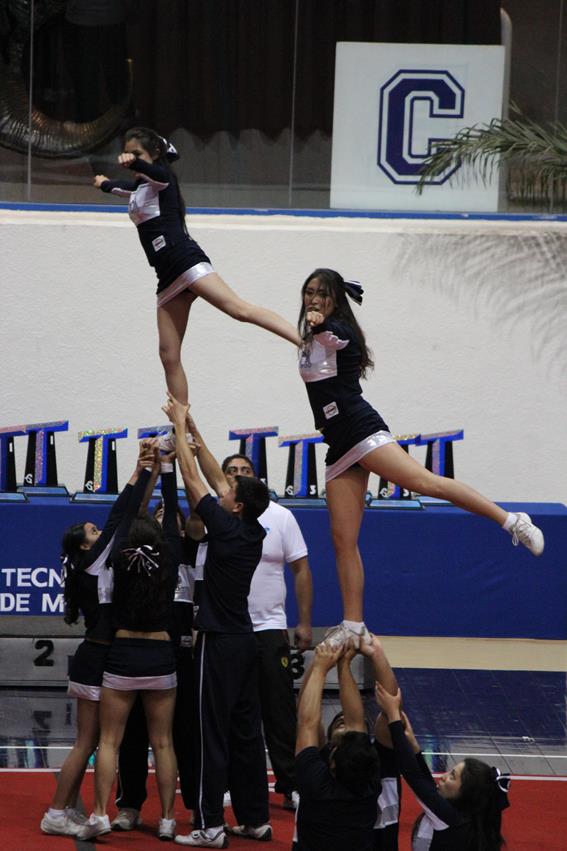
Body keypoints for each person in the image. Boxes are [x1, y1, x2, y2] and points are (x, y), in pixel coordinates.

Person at [297, 268, 545, 648]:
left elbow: (335, 334)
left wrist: (319, 325)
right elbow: (274, 322)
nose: (313, 298)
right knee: (342, 539)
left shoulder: (337, 333)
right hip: (338, 446)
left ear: (335, 300)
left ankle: (512, 521)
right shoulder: (308, 340)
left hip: (362, 432)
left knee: (424, 483)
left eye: (322, 293)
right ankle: (353, 623)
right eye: (309, 292)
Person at [93, 127, 301, 404]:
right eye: (128, 153)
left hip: (185, 261)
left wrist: (135, 162)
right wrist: (104, 182)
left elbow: (154, 173)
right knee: (168, 355)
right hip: (166, 276)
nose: (131, 159)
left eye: (138, 153)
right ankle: (183, 426)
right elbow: (120, 188)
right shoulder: (141, 188)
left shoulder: (162, 179)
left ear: (154, 154)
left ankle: (305, 343)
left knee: (237, 309)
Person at [162, 392, 271, 848]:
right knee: (246, 732)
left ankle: (209, 825)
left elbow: (192, 476)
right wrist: (193, 429)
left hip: (219, 642)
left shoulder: (225, 527)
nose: (224, 489)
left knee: (211, 734)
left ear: (236, 506)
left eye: (230, 491)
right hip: (245, 640)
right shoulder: (252, 527)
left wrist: (180, 428)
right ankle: (254, 819)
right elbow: (210, 472)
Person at [40, 440, 155, 837]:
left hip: (99, 654)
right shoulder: (93, 561)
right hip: (97, 656)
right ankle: (55, 813)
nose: (98, 529)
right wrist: (139, 473)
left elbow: (121, 517)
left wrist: (143, 472)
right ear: (86, 545)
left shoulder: (91, 563)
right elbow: (120, 516)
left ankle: (66, 807)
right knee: (86, 742)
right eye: (92, 531)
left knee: (89, 742)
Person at [78, 489, 179, 841]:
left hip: (123, 653)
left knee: (109, 741)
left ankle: (101, 813)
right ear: (161, 539)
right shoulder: (169, 558)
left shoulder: (116, 560)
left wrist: (140, 475)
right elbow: (170, 529)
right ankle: (167, 819)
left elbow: (115, 524)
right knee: (163, 742)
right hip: (160, 653)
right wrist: (168, 469)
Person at [111, 451, 199, 831]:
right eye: (160, 517)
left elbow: (193, 517)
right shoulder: (140, 553)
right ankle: (130, 804)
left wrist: (162, 468)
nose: (165, 524)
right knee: (133, 735)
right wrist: (164, 469)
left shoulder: (188, 550)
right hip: (150, 651)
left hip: (180, 653)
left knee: (182, 735)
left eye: (171, 519)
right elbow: (134, 516)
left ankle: (192, 805)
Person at [375, 682, 510, 851]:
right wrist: (415, 747)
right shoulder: (462, 816)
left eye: (453, 776)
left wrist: (393, 716)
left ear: (466, 793)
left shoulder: (450, 818)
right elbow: (426, 783)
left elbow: (416, 779)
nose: (444, 776)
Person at [293, 642, 381, 851]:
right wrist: (345, 664)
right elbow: (357, 724)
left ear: (331, 766)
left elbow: (307, 723)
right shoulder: (368, 785)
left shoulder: (317, 784)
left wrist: (319, 669)